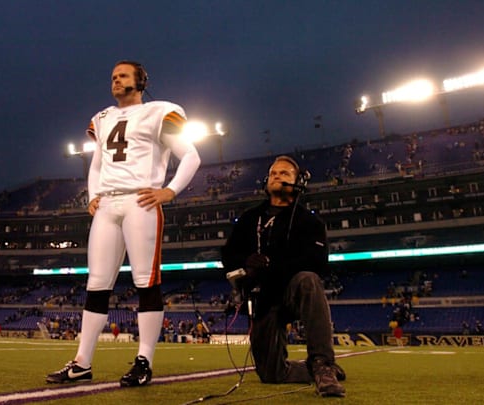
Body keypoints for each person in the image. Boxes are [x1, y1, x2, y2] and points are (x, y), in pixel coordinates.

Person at [46, 60, 201, 386]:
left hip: (140, 200)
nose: (115, 80)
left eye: (123, 75)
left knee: (146, 281)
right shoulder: (102, 118)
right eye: (113, 76)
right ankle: (82, 362)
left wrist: (169, 191)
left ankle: (144, 360)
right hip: (107, 204)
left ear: (141, 81)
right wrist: (92, 194)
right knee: (97, 283)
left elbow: (191, 155)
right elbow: (97, 162)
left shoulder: (159, 111)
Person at [220, 155, 346, 397]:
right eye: (273, 173)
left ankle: (322, 365)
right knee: (271, 375)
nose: (277, 176)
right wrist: (246, 262)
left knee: (308, 279)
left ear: (298, 182)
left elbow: (317, 263)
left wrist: (271, 266)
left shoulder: (310, 221)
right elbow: (228, 254)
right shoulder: (249, 218)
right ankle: (310, 369)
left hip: (292, 290)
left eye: (285, 173)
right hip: (263, 298)